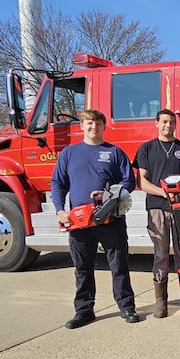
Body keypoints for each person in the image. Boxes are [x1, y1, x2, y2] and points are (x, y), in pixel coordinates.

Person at [50, 109, 140, 329]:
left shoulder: (114, 152)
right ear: (81, 126)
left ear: (103, 127)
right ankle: (84, 310)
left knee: (119, 265)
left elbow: (129, 181)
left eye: (98, 123)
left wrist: (109, 194)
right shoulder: (69, 153)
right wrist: (60, 210)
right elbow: (58, 183)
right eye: (89, 123)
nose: (94, 127)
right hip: (79, 222)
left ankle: (126, 307)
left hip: (110, 219)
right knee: (82, 268)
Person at [133, 109, 180, 318]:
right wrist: (162, 192)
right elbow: (141, 181)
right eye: (164, 122)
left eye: (171, 122)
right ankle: (161, 300)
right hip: (157, 209)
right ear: (156, 123)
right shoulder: (146, 149)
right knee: (161, 254)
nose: (168, 125)